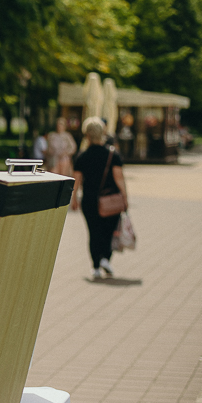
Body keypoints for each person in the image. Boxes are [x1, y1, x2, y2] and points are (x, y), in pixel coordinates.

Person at [70, 116, 128, 280]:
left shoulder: (82, 156)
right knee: (109, 231)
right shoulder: (112, 155)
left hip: (90, 200)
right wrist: (125, 197)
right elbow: (119, 179)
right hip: (111, 199)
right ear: (103, 132)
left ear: (86, 134)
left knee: (93, 232)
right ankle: (105, 259)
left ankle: (95, 266)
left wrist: (74, 199)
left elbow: (77, 180)